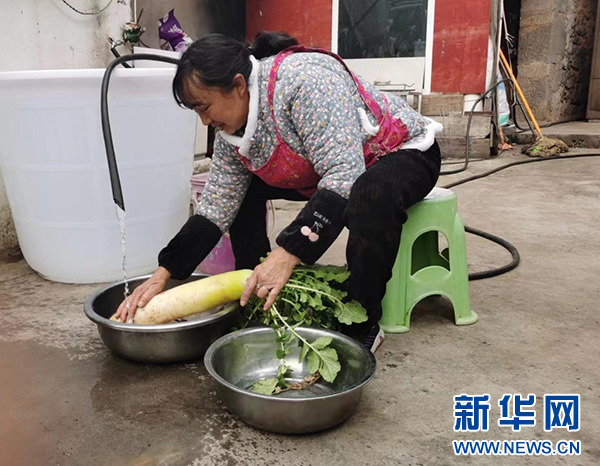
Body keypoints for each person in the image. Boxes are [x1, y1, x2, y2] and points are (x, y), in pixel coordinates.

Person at [115, 31, 442, 352]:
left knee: (369, 197)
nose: (203, 121)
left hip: (399, 152)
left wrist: (287, 253)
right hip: (322, 170)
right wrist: (164, 273)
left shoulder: (305, 84)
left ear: (238, 86)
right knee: (242, 191)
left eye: (204, 107)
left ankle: (362, 324)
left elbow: (344, 175)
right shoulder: (231, 130)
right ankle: (255, 294)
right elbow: (217, 206)